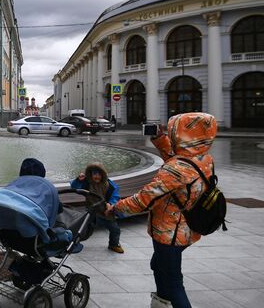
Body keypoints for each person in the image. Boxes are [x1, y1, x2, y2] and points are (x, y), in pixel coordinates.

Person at [106, 112, 218, 308]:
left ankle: (165, 301)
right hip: (188, 228)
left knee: (174, 282)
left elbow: (144, 199)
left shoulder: (176, 170)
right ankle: (161, 302)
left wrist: (115, 209)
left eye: (174, 131)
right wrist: (160, 139)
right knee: (158, 265)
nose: (172, 134)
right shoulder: (203, 159)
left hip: (170, 233)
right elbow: (180, 160)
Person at [70, 163, 123, 253]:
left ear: (103, 174)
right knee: (81, 228)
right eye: (94, 174)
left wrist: (110, 204)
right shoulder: (86, 183)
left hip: (105, 211)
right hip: (91, 211)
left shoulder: (109, 185)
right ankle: (73, 244)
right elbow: (74, 186)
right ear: (90, 174)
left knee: (115, 229)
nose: (97, 176)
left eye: (99, 174)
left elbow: (115, 196)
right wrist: (78, 180)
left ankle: (113, 244)